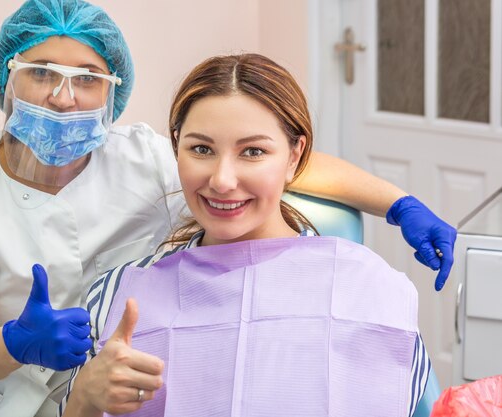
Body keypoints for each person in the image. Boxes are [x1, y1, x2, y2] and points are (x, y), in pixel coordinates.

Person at [0, 1, 450, 416]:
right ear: (7, 78)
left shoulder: (146, 154)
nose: (61, 95)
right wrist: (17, 343)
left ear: (113, 92)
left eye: (86, 79)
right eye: (40, 73)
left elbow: (257, 151)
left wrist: (400, 204)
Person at [60, 53, 432, 417]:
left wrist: (399, 204)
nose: (222, 180)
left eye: (252, 151)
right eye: (201, 149)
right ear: (176, 148)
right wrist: (86, 399)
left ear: (294, 156)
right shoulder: (118, 294)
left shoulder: (367, 289)